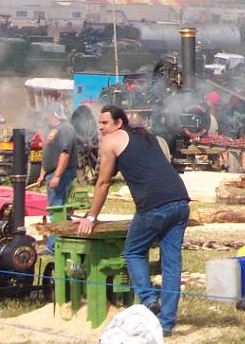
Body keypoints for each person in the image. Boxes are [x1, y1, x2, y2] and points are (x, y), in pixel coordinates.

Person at [78, 106, 190, 337]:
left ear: (119, 123)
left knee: (133, 252)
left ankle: (149, 300)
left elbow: (103, 183)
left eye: (105, 123)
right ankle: (166, 324)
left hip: (154, 205)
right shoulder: (143, 134)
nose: (100, 127)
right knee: (172, 264)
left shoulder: (111, 141)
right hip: (180, 199)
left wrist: (91, 216)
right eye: (99, 123)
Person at [37, 107, 78, 253]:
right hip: (51, 173)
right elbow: (47, 153)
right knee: (55, 209)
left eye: (47, 113)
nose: (45, 116)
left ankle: (53, 246)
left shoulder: (66, 129)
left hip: (62, 174)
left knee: (57, 210)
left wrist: (57, 176)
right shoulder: (52, 130)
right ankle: (69, 235)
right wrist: (43, 173)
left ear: (53, 113)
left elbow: (64, 153)